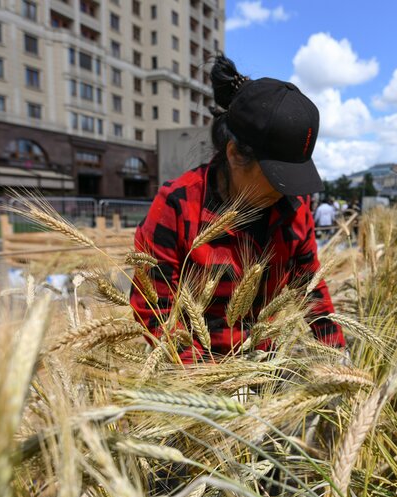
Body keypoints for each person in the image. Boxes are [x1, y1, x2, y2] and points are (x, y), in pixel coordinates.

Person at [130, 55, 345, 362]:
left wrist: (338, 356)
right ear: (234, 154)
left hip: (261, 366)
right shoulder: (178, 205)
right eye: (276, 177)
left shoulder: (295, 210)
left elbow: (311, 289)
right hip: (189, 376)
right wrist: (205, 384)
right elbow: (154, 308)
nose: (286, 192)